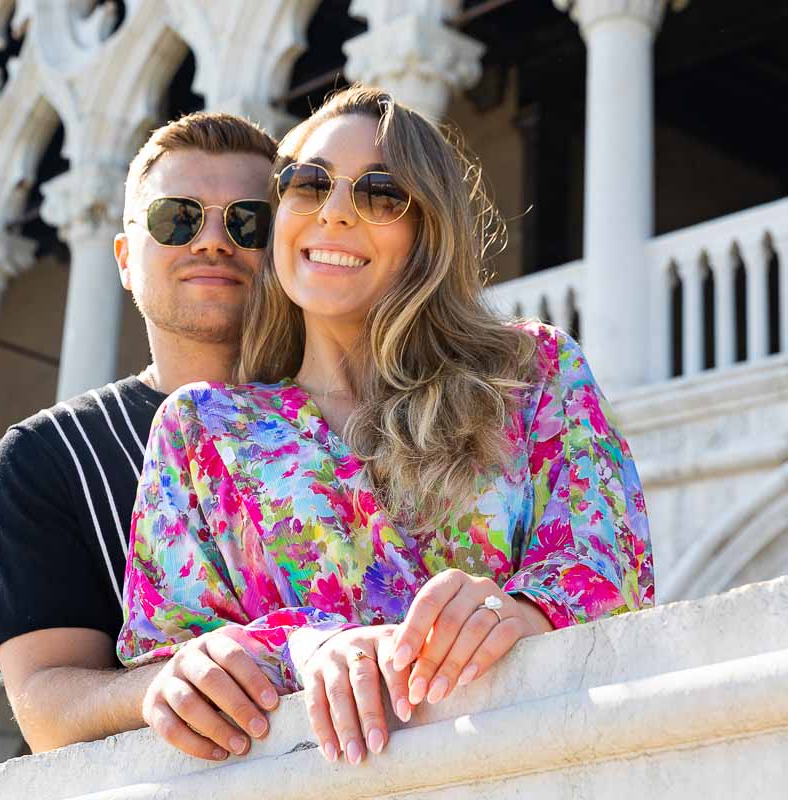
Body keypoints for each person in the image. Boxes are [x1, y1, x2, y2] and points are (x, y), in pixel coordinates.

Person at [118, 85, 655, 767]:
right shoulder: (203, 431)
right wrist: (302, 647)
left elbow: (610, 573)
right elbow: (174, 658)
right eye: (308, 184)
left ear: (426, 230)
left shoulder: (531, 373)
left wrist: (515, 614)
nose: (335, 214)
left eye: (380, 194)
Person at [0, 111, 283, 756]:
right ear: (125, 258)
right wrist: (166, 684)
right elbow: (44, 704)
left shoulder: (353, 417)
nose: (212, 241)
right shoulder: (52, 455)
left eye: (247, 222)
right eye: (177, 217)